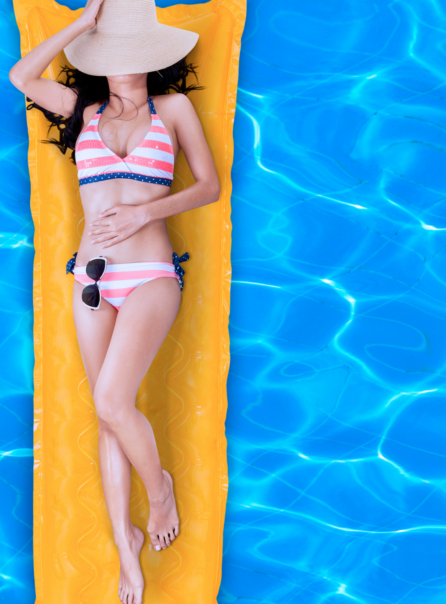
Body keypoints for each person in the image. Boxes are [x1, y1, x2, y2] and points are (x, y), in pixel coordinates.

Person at [9, 0, 219, 601]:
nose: (122, 63)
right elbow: (21, 78)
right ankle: (127, 553)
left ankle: (160, 493)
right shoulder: (81, 108)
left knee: (110, 398)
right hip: (90, 278)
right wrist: (81, 23)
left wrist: (142, 213)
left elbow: (208, 185)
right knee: (109, 414)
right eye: (110, 49)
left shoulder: (171, 109)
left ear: (151, 55)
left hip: (152, 271)